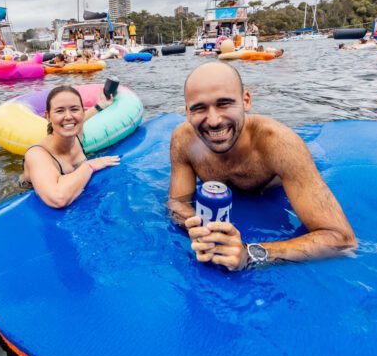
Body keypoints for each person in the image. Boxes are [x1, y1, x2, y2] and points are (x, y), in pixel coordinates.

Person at [167, 62, 356, 270]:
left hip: (273, 194)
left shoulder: (280, 144)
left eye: (224, 104)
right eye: (199, 108)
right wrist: (198, 228)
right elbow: (177, 202)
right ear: (187, 112)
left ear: (246, 101)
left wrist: (249, 255)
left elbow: (341, 240)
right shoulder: (183, 140)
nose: (213, 121)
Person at [21, 86, 120, 208]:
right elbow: (58, 198)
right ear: (47, 116)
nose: (68, 116)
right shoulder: (37, 154)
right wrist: (90, 165)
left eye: (74, 109)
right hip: (30, 197)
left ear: (82, 112)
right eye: (59, 111)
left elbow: (77, 120)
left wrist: (101, 105)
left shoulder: (76, 133)